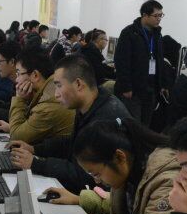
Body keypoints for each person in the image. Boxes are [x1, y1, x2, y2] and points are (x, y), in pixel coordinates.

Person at [42, 119, 178, 214]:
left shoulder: (166, 180)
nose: (97, 181)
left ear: (119, 157)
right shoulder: (133, 166)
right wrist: (80, 199)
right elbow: (137, 207)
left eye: (96, 174)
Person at [9, 55, 130, 192]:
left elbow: (87, 175)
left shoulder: (104, 120)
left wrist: (36, 164)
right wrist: (35, 149)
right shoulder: (90, 105)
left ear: (78, 84)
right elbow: (73, 144)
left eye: (59, 86)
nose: (56, 94)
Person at [0, 49, 74, 144]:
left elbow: (16, 137)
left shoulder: (49, 103)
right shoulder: (49, 88)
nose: (16, 80)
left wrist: (19, 99)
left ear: (35, 75)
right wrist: (12, 128)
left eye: (18, 73)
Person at [114, 0, 167, 125]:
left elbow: (160, 61)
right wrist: (126, 87)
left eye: (161, 15)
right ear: (144, 15)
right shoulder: (129, 33)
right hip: (133, 90)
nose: (159, 19)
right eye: (156, 15)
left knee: (145, 125)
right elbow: (121, 61)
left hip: (151, 89)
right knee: (133, 125)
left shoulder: (157, 34)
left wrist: (162, 84)